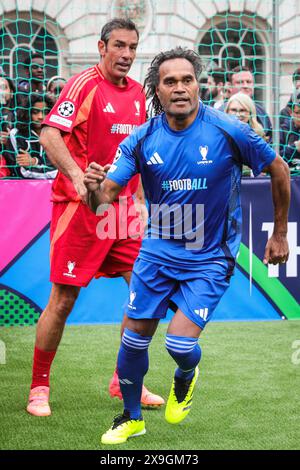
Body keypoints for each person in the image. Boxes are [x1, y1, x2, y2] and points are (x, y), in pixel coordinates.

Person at [83, 47, 290, 445]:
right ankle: (130, 416)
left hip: (209, 255)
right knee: (133, 338)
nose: (179, 88)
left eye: (187, 79)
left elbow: (278, 168)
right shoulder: (141, 139)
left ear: (198, 85)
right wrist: (94, 189)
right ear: (156, 91)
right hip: (158, 250)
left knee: (179, 343)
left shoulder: (229, 129)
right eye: (169, 81)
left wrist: (278, 233)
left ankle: (186, 374)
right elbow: (104, 198)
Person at [26, 18, 164, 418]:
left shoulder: (139, 95)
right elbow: (50, 133)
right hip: (79, 209)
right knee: (64, 299)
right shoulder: (84, 84)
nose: (126, 55)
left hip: (121, 212)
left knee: (145, 292)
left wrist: (139, 199)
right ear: (101, 47)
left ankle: (123, 381)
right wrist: (78, 179)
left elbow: (135, 153)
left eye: (132, 47)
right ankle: (39, 387)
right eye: (118, 46)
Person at [3, 93, 57, 179]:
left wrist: (34, 162)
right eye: (35, 112)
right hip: (25, 187)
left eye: (45, 112)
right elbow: (22, 171)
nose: (40, 116)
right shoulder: (16, 135)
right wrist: (44, 165)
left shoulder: (57, 134)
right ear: (27, 113)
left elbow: (61, 169)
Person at [226, 65, 273, 142]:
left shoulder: (262, 113)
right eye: (240, 82)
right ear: (230, 86)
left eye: (249, 82)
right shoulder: (220, 112)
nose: (245, 86)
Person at [280, 91, 300, 174]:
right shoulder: (282, 130)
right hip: (288, 179)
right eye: (298, 112)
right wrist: (295, 147)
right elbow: (270, 157)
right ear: (291, 113)